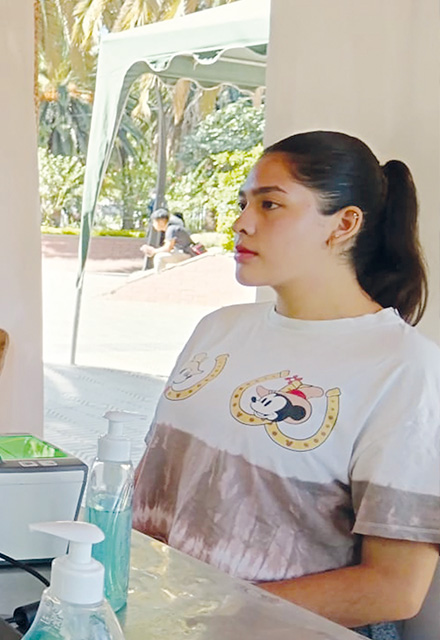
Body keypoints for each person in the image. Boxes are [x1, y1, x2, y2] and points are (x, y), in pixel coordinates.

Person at [132, 131, 440, 639]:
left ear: (344, 224)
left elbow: (394, 588)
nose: (241, 223)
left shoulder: (405, 369)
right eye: (243, 202)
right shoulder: (219, 329)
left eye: (270, 204)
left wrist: (209, 618)